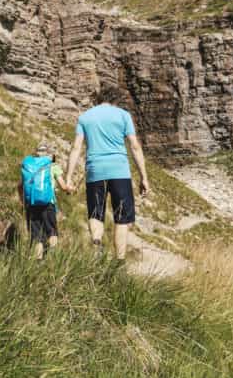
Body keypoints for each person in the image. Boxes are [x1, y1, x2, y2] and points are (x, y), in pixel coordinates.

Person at [65, 87, 149, 260]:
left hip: (95, 172)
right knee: (122, 217)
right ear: (115, 100)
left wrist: (68, 177)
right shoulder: (123, 115)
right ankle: (119, 260)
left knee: (95, 212)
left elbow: (75, 148)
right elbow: (134, 146)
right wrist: (143, 177)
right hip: (120, 172)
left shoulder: (85, 117)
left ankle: (96, 244)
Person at [19, 142, 69, 260]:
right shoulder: (52, 166)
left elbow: (20, 186)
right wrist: (70, 189)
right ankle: (53, 258)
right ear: (48, 153)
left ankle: (38, 262)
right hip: (48, 203)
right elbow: (63, 186)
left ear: (36, 153)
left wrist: (23, 201)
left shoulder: (29, 167)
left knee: (36, 235)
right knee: (51, 231)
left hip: (31, 204)